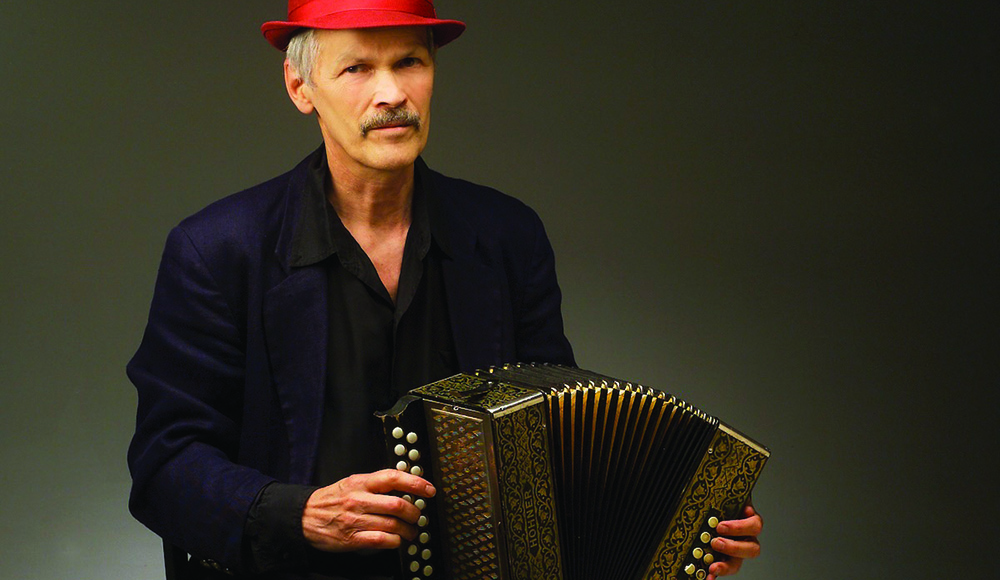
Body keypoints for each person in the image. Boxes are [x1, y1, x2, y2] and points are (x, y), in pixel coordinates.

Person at [126, 2, 762, 579]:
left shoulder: (507, 235)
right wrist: (301, 514)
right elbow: (165, 466)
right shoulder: (215, 250)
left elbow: (559, 441)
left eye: (410, 61)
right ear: (301, 87)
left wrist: (683, 528)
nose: (392, 93)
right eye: (356, 69)